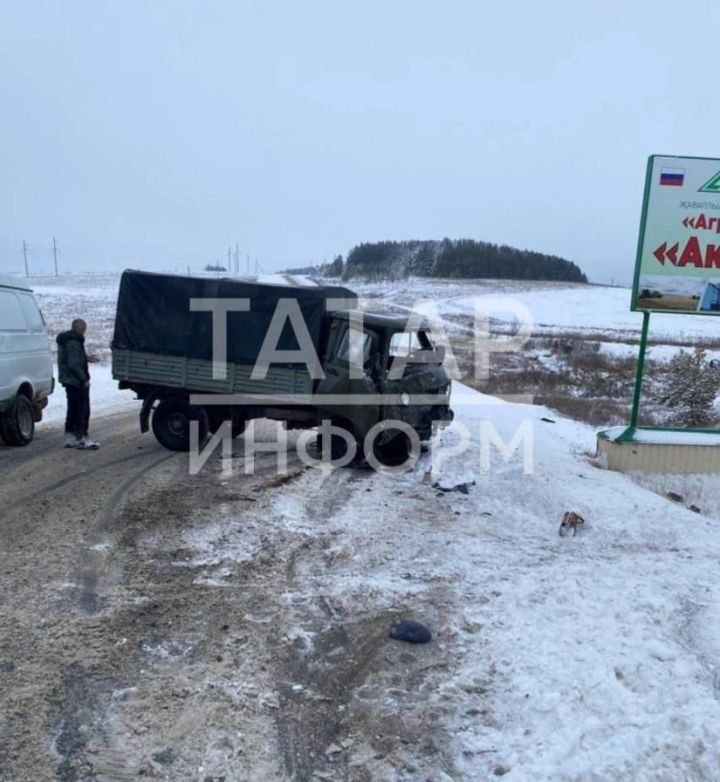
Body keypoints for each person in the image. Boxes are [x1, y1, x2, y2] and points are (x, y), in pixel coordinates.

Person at [56, 319, 99, 449]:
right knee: (82, 410)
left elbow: (71, 358)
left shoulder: (68, 339)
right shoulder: (74, 342)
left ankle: (70, 436)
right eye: (83, 328)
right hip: (75, 381)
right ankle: (82, 438)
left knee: (73, 408)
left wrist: (85, 358)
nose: (84, 330)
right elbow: (73, 365)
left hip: (69, 380)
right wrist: (84, 379)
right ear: (78, 328)